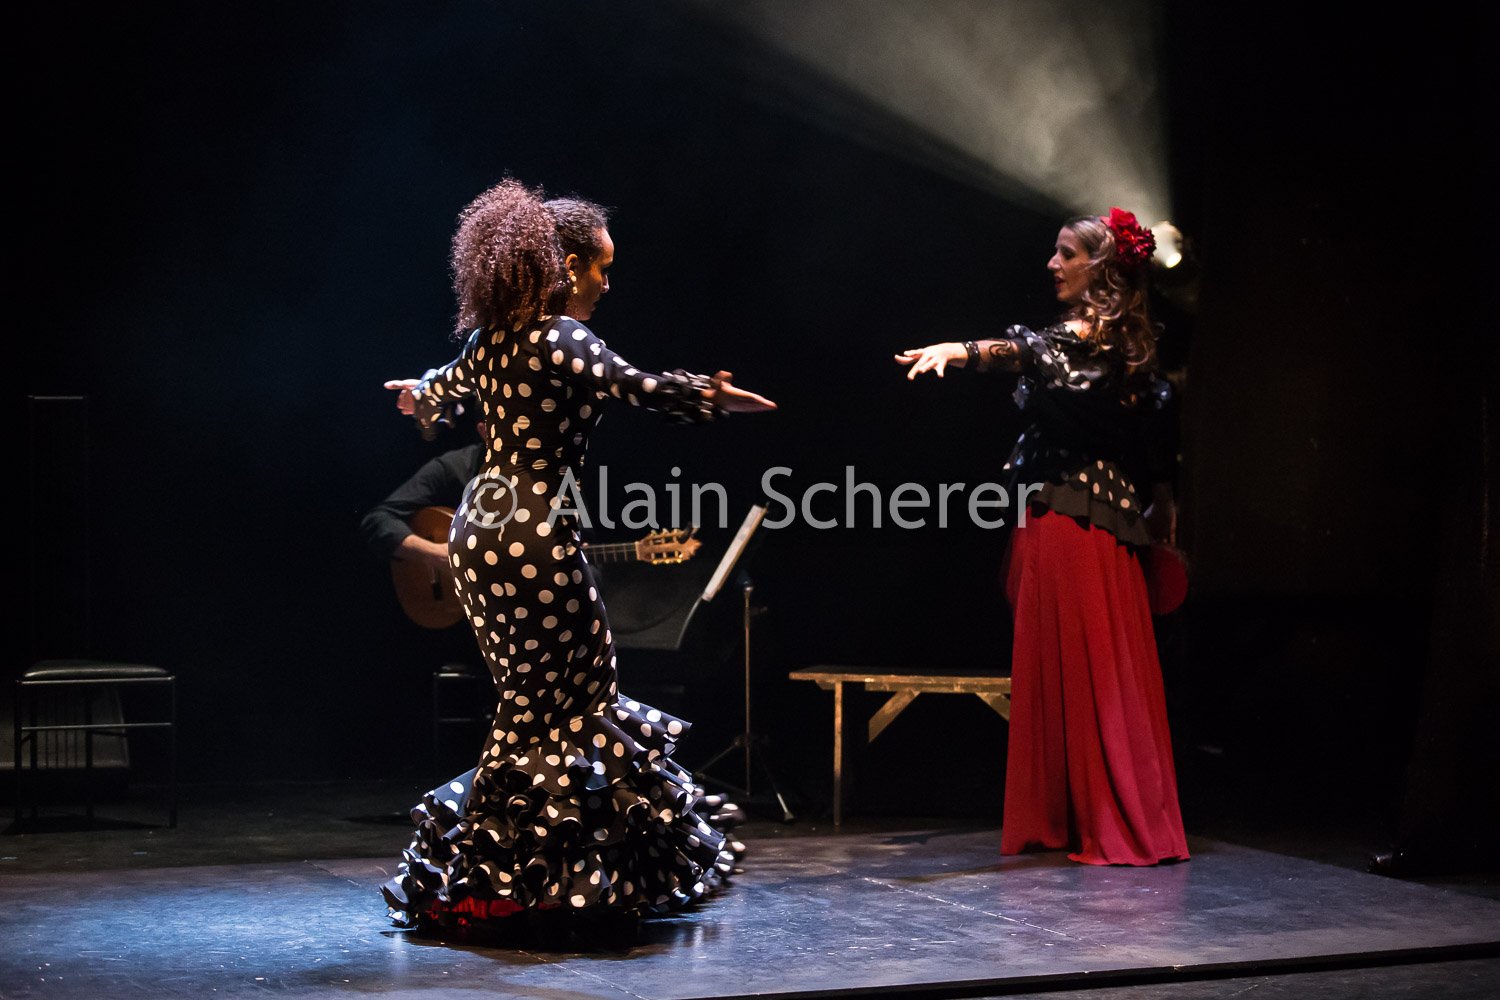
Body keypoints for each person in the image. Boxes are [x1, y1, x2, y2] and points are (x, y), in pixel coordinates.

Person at [378, 178, 776, 937]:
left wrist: (418, 394)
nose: (606, 283)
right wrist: (712, 397)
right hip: (532, 528)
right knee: (579, 699)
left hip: (477, 532)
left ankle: (507, 880)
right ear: (565, 266)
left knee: (530, 706)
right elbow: (635, 386)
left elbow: (441, 389)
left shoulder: (488, 340)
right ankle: (543, 881)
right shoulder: (561, 336)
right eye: (601, 267)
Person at [896, 208, 1189, 866]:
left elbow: (1027, 353)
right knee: (1085, 667)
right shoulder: (1123, 346)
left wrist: (961, 351)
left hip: (1076, 520)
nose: (1053, 265)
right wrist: (1164, 499)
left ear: (1102, 267)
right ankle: (1073, 815)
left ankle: (1105, 819)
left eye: (1067, 254)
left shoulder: (1087, 340)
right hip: (1086, 516)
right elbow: (1153, 437)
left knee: (1094, 669)